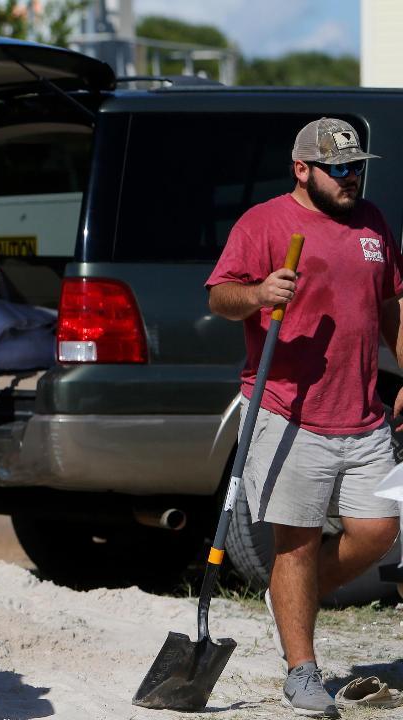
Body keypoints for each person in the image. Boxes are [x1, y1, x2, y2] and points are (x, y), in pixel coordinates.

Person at [206, 117, 403, 718]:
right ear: (302, 169)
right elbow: (219, 295)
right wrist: (259, 294)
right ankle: (302, 670)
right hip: (288, 410)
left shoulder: (372, 222)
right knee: (295, 543)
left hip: (363, 413)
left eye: (356, 166)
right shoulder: (264, 223)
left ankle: (291, 596)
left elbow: (392, 306)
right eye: (338, 168)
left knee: (380, 529)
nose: (350, 178)